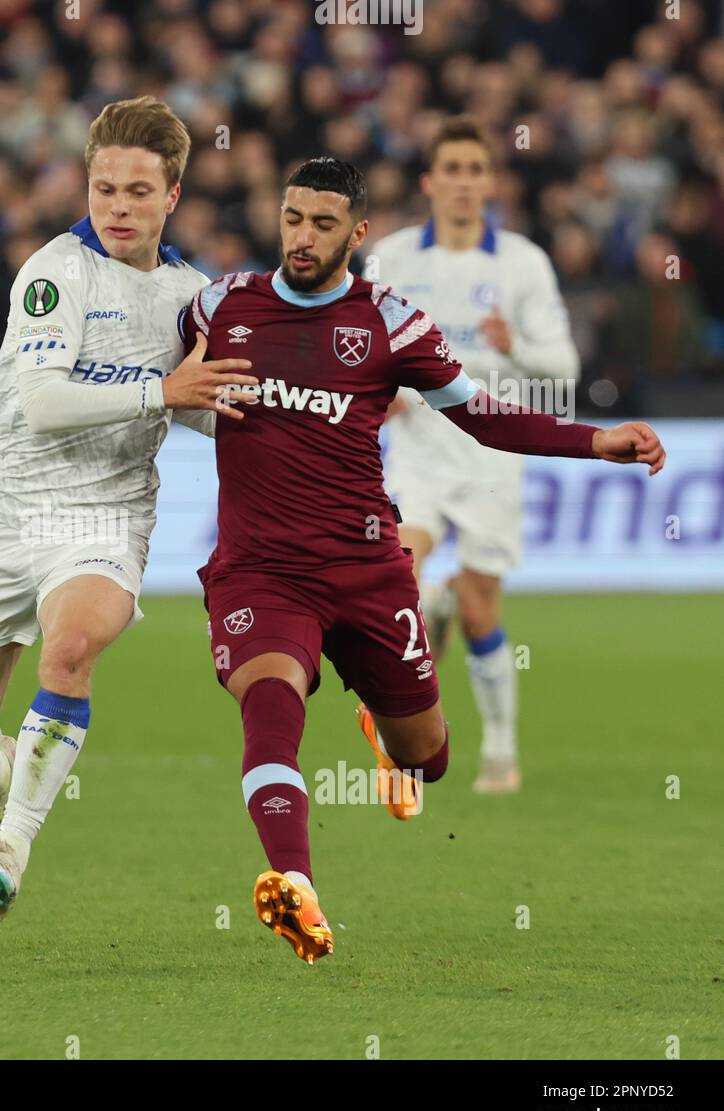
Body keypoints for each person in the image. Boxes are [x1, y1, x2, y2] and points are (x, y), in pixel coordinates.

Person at [182, 158, 665, 963]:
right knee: (270, 699)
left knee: (426, 757)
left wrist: (596, 443)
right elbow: (158, 376)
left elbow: (481, 416)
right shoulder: (218, 305)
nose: (303, 236)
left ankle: (383, 721)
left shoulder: (389, 322)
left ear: (357, 233)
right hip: (261, 571)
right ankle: (295, 885)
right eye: (293, 217)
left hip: (369, 570)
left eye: (323, 223)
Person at [0, 96, 259, 919]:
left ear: (173, 196)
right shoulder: (53, 274)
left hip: (105, 517)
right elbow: (43, 403)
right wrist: (164, 390)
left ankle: (14, 842)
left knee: (71, 648)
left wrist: (307, 409)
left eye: (138, 192)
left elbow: (203, 406)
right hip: (6, 513)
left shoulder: (192, 294)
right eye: (105, 188)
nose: (118, 206)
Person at [370, 117, 582, 794]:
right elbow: (359, 339)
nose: (463, 183)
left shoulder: (522, 262)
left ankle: (498, 747)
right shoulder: (395, 257)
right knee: (402, 563)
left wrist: (513, 343)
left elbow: (565, 366)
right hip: (421, 450)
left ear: (489, 181)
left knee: (481, 607)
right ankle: (410, 719)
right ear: (430, 181)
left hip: (493, 455)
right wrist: (385, 390)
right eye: (451, 170)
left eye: (474, 170)